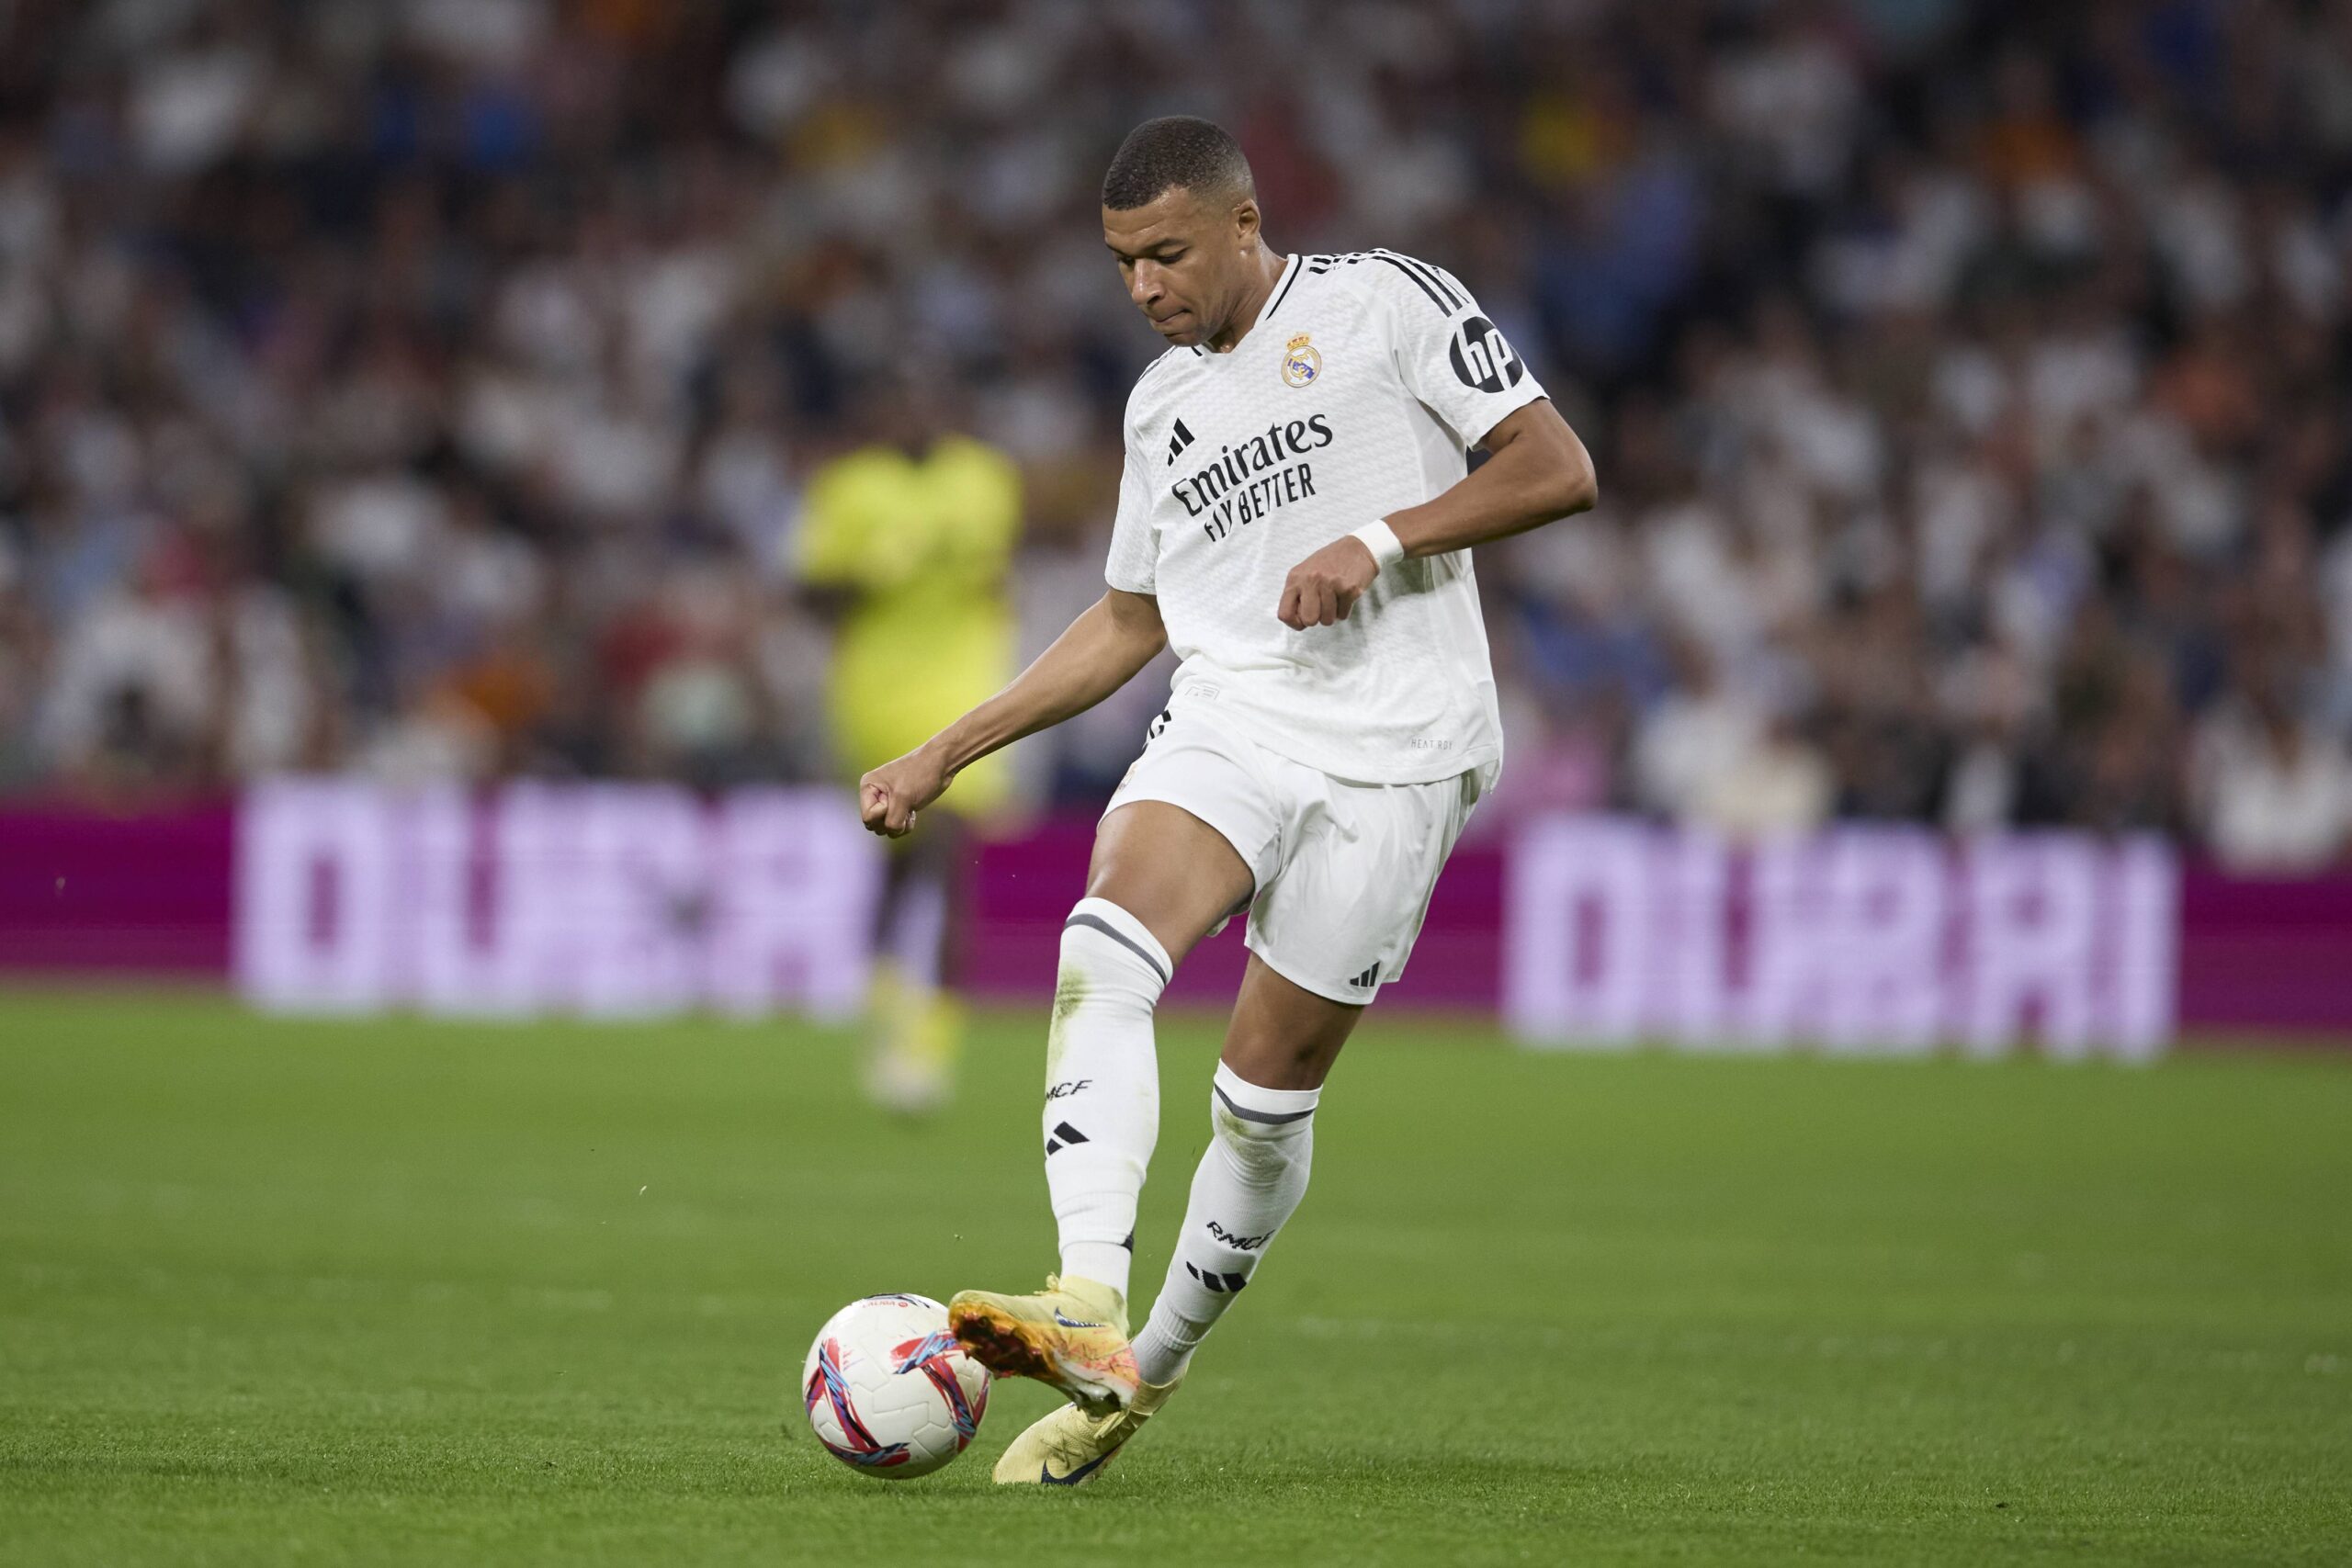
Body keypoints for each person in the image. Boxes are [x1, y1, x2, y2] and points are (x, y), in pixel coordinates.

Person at [856, 116, 1597, 1483]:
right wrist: (947, 747)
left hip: (1403, 750)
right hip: (1236, 712)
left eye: (1168, 255)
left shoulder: (1390, 300)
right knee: (1103, 943)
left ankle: (1140, 1376)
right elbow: (1132, 618)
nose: (1145, 288)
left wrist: (1378, 537)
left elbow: (1559, 469)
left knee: (1262, 1105)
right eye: (1124, 264)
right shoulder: (1160, 405)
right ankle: (1084, 1297)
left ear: (1246, 224)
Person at [798, 376, 1023, 1112]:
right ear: (880, 410)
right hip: (875, 690)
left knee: (951, 848)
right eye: (901, 399)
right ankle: (886, 1005)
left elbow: (996, 577)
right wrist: (865, 573)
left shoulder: (985, 478)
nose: (916, 410)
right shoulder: (850, 486)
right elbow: (809, 595)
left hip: (961, 683)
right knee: (896, 860)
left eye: (929, 397)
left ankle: (930, 1042)